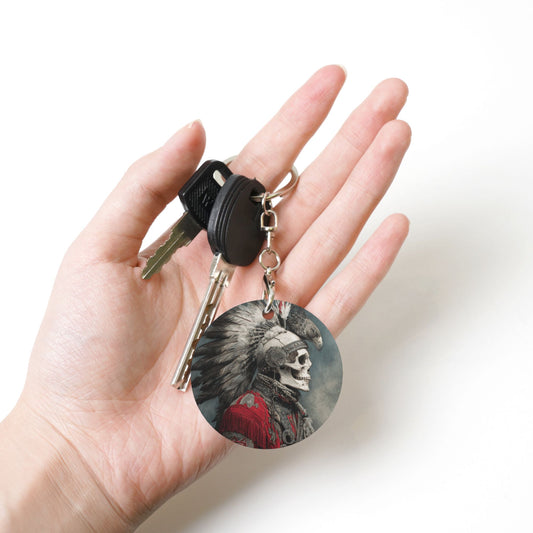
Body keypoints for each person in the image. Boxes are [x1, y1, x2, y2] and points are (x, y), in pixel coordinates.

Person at [0, 65, 411, 531]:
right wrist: (63, 438)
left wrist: (65, 452)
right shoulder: (254, 411)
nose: (306, 366)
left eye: (300, 357)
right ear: (266, 366)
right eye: (298, 357)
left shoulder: (278, 408)